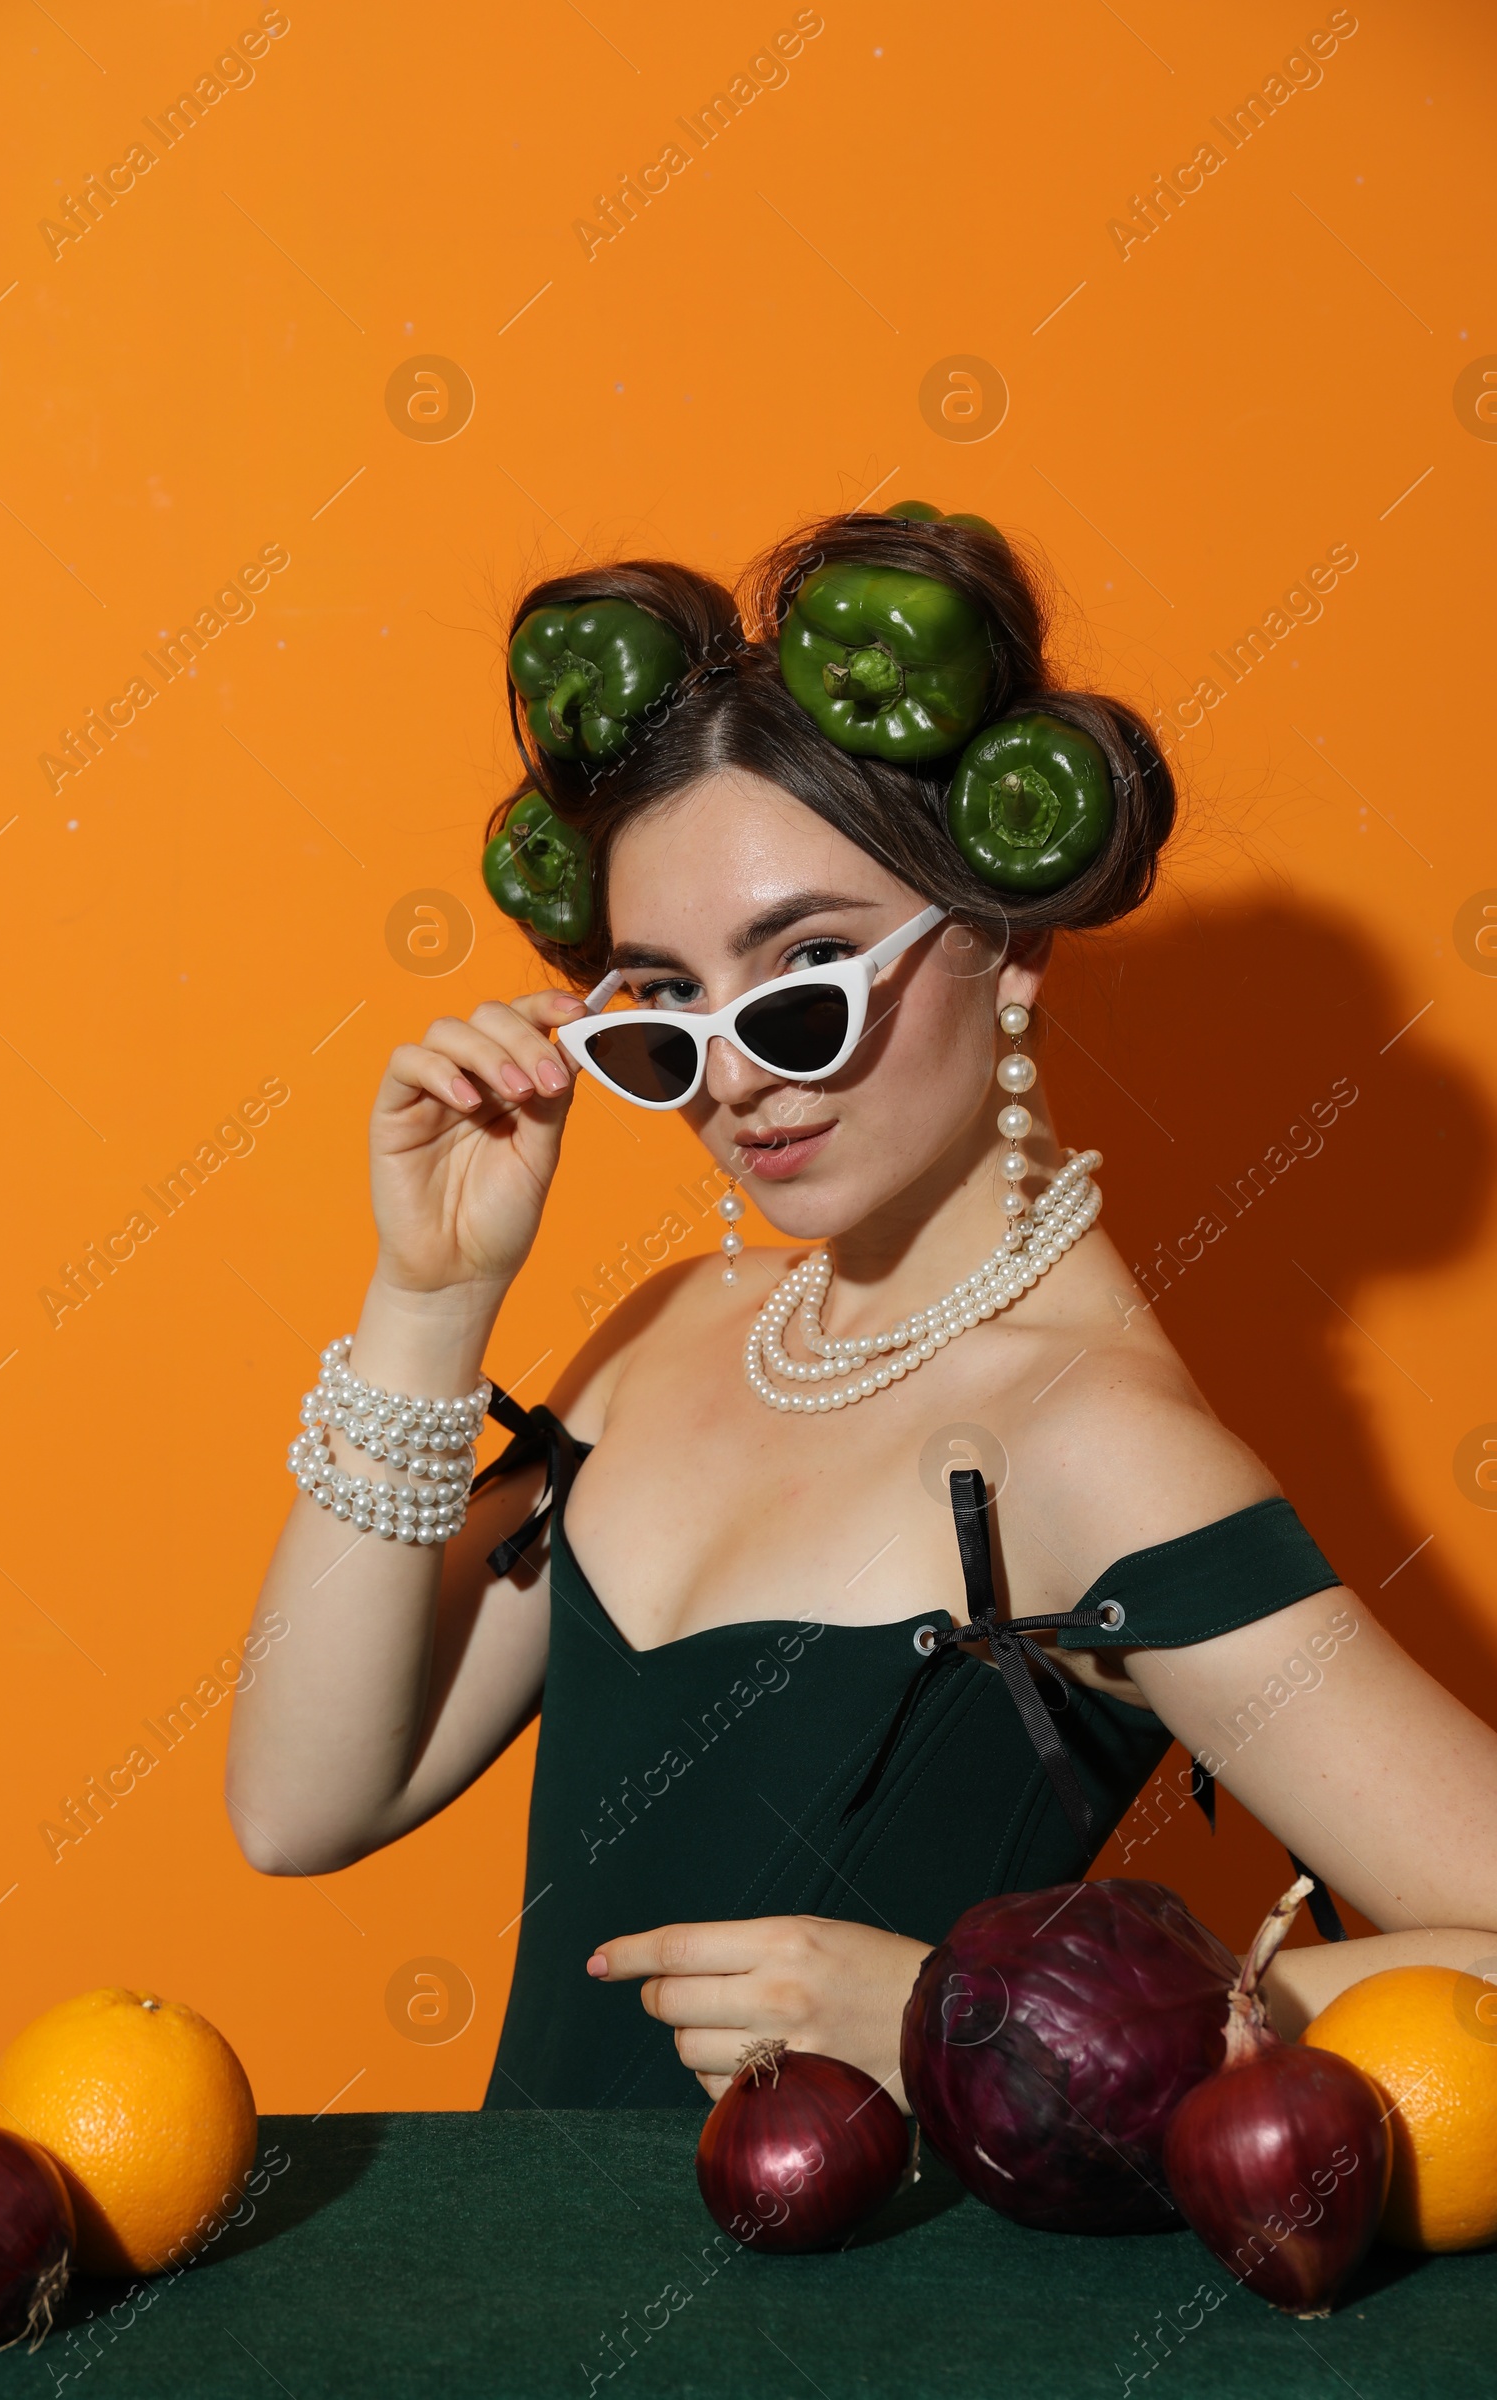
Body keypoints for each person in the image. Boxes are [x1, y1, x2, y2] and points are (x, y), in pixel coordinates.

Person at [224, 505, 1497, 2115]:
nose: (740, 1077)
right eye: (669, 1010)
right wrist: (431, 1299)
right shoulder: (668, 1335)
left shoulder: (1095, 1444)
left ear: (1008, 941)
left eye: (809, 973)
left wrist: (976, 2004)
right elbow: (301, 1805)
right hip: (518, 2310)